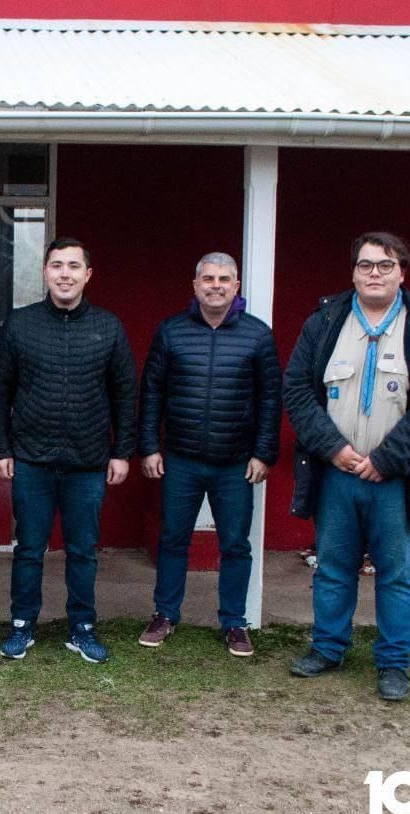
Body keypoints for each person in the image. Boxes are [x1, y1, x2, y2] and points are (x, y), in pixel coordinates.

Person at [284, 232, 410, 701]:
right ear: (353, 272)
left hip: (397, 479)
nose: (375, 273)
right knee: (333, 569)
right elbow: (298, 390)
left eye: (385, 265)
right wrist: (332, 448)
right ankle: (326, 648)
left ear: (402, 272)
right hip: (337, 474)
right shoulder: (325, 321)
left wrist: (387, 459)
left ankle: (394, 663)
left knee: (398, 574)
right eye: (366, 265)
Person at [0, 237, 137, 664]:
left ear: (88, 274)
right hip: (31, 459)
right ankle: (22, 625)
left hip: (88, 462)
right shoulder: (20, 324)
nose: (65, 274)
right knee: (29, 549)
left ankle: (82, 627)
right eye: (57, 265)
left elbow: (126, 393)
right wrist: (1, 448)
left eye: (74, 266)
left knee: (83, 551)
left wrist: (122, 450)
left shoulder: (108, 327)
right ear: (45, 273)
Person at [136, 252, 282, 657]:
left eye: (224, 279)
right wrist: (149, 446)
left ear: (236, 286)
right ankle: (165, 614)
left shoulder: (257, 335)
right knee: (173, 539)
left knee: (235, 544)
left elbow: (271, 399)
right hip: (181, 458)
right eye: (208, 278)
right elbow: (151, 393)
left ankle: (234, 621)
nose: (215, 285)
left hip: (236, 461)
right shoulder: (171, 332)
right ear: (195, 285)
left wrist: (263, 453)